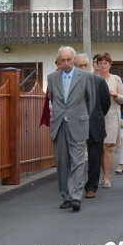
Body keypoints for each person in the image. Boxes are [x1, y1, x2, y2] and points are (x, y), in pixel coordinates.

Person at [46, 46, 95, 211]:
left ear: (74, 60)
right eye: (62, 60)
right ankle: (66, 196)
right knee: (62, 162)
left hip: (78, 123)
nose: (65, 63)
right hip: (59, 124)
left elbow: (91, 101)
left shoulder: (86, 76)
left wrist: (82, 117)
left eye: (68, 60)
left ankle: (75, 197)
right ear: (59, 61)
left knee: (78, 161)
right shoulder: (52, 77)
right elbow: (52, 101)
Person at [74, 54, 111, 199]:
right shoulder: (71, 83)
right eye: (80, 65)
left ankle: (91, 186)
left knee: (94, 158)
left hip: (95, 124)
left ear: (89, 66)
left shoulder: (99, 81)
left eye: (85, 65)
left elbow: (105, 104)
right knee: (76, 158)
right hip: (76, 125)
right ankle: (75, 186)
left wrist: (96, 116)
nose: (83, 68)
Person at [95, 52, 123, 187]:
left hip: (112, 114)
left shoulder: (116, 79)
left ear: (110, 64)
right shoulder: (92, 78)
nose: (103, 66)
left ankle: (106, 177)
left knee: (109, 146)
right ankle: (103, 172)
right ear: (97, 65)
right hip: (97, 115)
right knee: (100, 147)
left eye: (105, 63)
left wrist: (115, 95)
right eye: (100, 63)